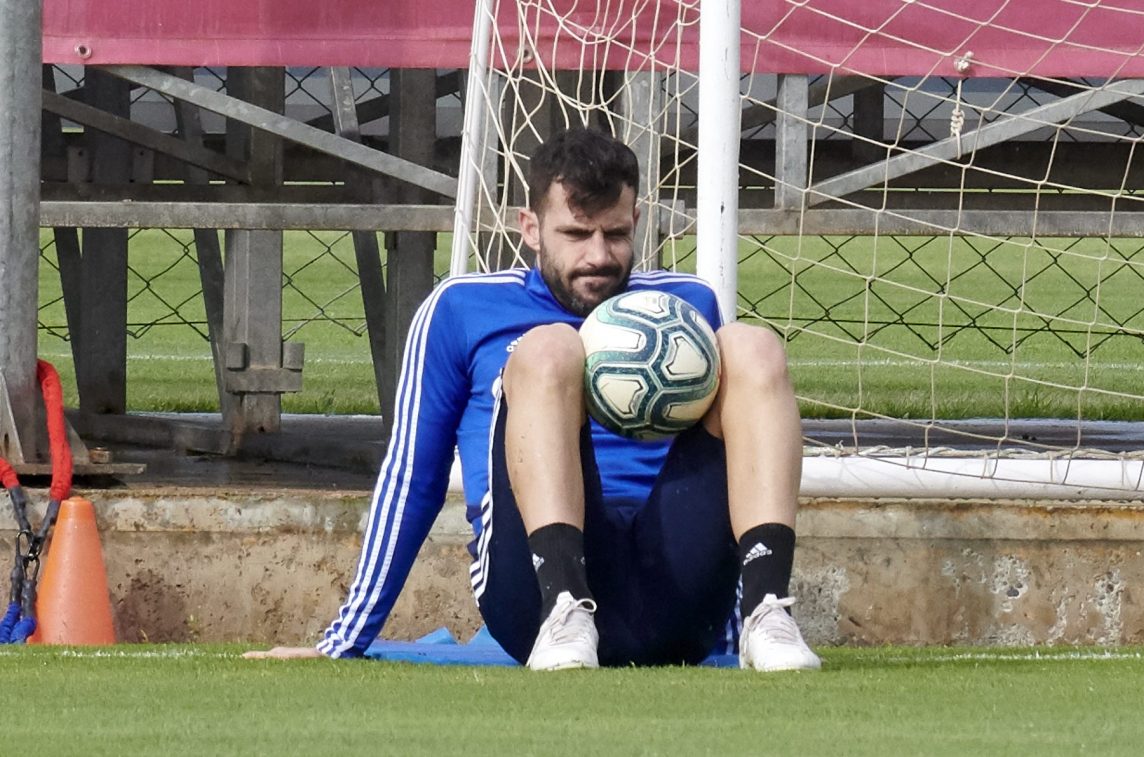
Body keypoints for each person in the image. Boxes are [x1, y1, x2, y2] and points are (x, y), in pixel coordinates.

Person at [245, 126, 820, 671]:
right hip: (532, 601)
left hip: (673, 595)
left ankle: (767, 618)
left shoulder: (683, 305)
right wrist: (344, 640)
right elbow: (411, 477)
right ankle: (565, 607)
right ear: (530, 226)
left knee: (752, 348)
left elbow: (729, 464)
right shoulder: (460, 307)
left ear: (637, 221)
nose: (598, 255)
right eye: (575, 233)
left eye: (616, 234)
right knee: (549, 349)